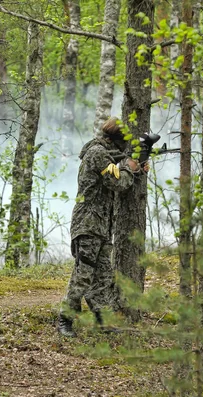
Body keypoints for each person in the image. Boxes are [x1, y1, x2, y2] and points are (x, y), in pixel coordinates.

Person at [58, 117, 147, 337]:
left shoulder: (105, 152)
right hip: (88, 224)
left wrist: (135, 169)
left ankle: (103, 320)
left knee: (104, 277)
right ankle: (65, 318)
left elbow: (120, 175)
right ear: (117, 140)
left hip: (101, 226)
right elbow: (117, 183)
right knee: (83, 275)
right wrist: (130, 168)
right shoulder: (98, 153)